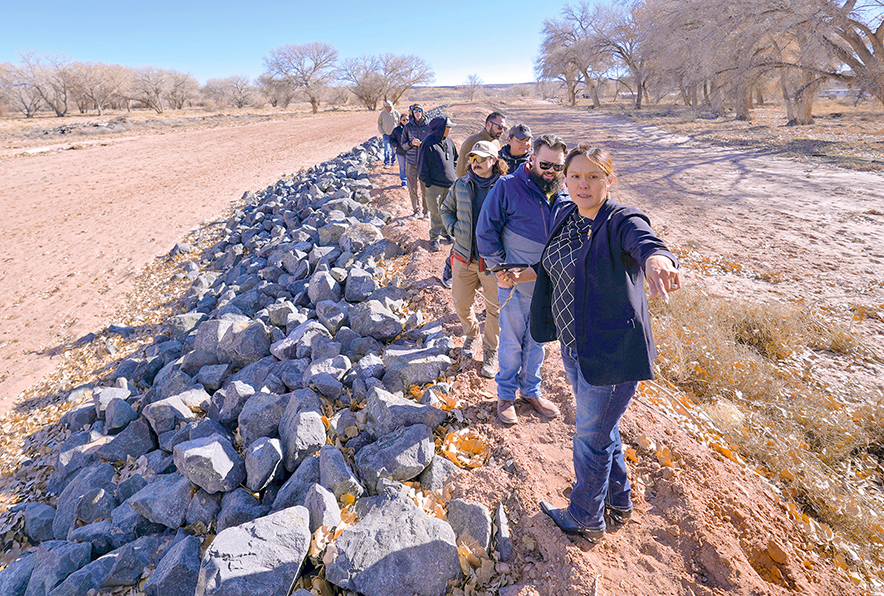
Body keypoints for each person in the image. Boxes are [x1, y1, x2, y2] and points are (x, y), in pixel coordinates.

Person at [511, 144, 681, 542]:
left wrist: (659, 260)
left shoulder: (620, 219)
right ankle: (618, 500)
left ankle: (586, 515)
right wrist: (522, 274)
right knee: (603, 429)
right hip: (576, 345)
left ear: (609, 179)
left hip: (611, 352)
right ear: (564, 179)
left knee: (590, 438)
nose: (582, 184)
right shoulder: (567, 213)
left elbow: (645, 240)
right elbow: (556, 263)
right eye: (575, 176)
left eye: (593, 176)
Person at [475, 133, 568, 425]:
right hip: (513, 283)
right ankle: (505, 395)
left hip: (548, 285)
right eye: (545, 164)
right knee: (512, 342)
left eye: (557, 166)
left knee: (537, 342)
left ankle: (531, 391)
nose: (551, 171)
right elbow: (486, 231)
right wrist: (499, 269)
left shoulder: (564, 192)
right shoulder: (507, 187)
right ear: (531, 159)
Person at [440, 140, 506, 378]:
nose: (475, 163)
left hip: (492, 264)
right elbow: (446, 209)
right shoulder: (461, 184)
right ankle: (471, 335)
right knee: (460, 304)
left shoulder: (505, 187)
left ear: (494, 161)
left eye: (481, 158)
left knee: (494, 310)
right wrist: (454, 229)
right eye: (472, 158)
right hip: (463, 258)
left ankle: (490, 351)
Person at [418, 116, 458, 251]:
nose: (450, 130)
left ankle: (446, 232)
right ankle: (434, 238)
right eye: (448, 127)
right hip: (434, 186)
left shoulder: (449, 141)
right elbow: (422, 167)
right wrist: (428, 183)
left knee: (449, 211)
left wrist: (452, 173)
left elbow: (455, 159)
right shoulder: (427, 143)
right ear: (441, 129)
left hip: (450, 185)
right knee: (435, 213)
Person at [400, 104, 433, 218]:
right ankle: (416, 211)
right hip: (411, 161)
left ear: (422, 112)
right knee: (412, 187)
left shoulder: (429, 126)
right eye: (415, 111)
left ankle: (426, 211)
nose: (418, 113)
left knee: (425, 188)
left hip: (425, 162)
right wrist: (411, 143)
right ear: (412, 113)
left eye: (419, 110)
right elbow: (403, 145)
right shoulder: (408, 127)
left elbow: (434, 143)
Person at [455, 112, 507, 178]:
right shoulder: (472, 141)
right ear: (489, 124)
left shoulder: (496, 142)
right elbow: (460, 170)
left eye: (504, 129)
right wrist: (466, 187)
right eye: (500, 127)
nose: (502, 131)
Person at [377, 100, 401, 167]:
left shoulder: (396, 113)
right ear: (385, 107)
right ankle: (386, 163)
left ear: (392, 107)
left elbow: (400, 122)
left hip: (395, 136)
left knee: (394, 149)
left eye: (389, 107)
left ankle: (393, 161)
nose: (388, 108)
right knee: (387, 149)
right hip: (386, 135)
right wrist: (382, 132)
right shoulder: (382, 114)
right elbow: (379, 123)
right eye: (386, 107)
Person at [389, 113, 409, 187]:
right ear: (400, 120)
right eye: (404, 120)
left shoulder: (411, 129)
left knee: (410, 167)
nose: (406, 121)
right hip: (400, 152)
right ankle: (404, 181)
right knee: (402, 167)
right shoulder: (397, 130)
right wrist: (396, 145)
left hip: (410, 152)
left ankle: (410, 181)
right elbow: (391, 138)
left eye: (407, 119)